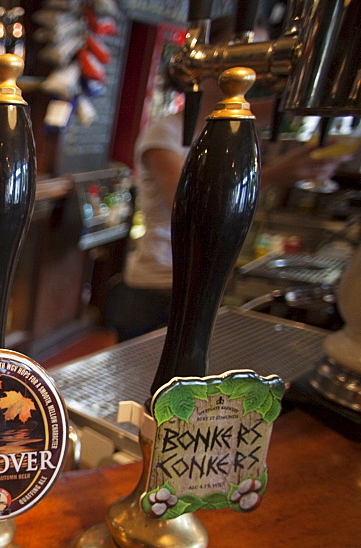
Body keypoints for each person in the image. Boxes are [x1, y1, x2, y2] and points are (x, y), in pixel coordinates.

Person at [108, 55, 355, 341]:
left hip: (200, 281)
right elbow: (195, 207)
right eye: (248, 61)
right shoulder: (167, 132)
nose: (256, 76)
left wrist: (308, 102)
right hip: (159, 284)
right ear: (207, 70)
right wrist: (275, 175)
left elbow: (269, 112)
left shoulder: (221, 132)